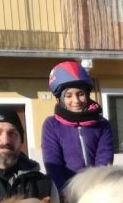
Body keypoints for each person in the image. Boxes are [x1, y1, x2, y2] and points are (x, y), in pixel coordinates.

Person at [40, 60, 113, 194]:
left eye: (80, 94)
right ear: (60, 99)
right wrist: (66, 193)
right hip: (65, 193)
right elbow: (53, 163)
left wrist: (95, 190)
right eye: (68, 95)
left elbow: (104, 160)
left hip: (96, 191)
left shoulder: (102, 125)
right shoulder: (51, 125)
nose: (76, 101)